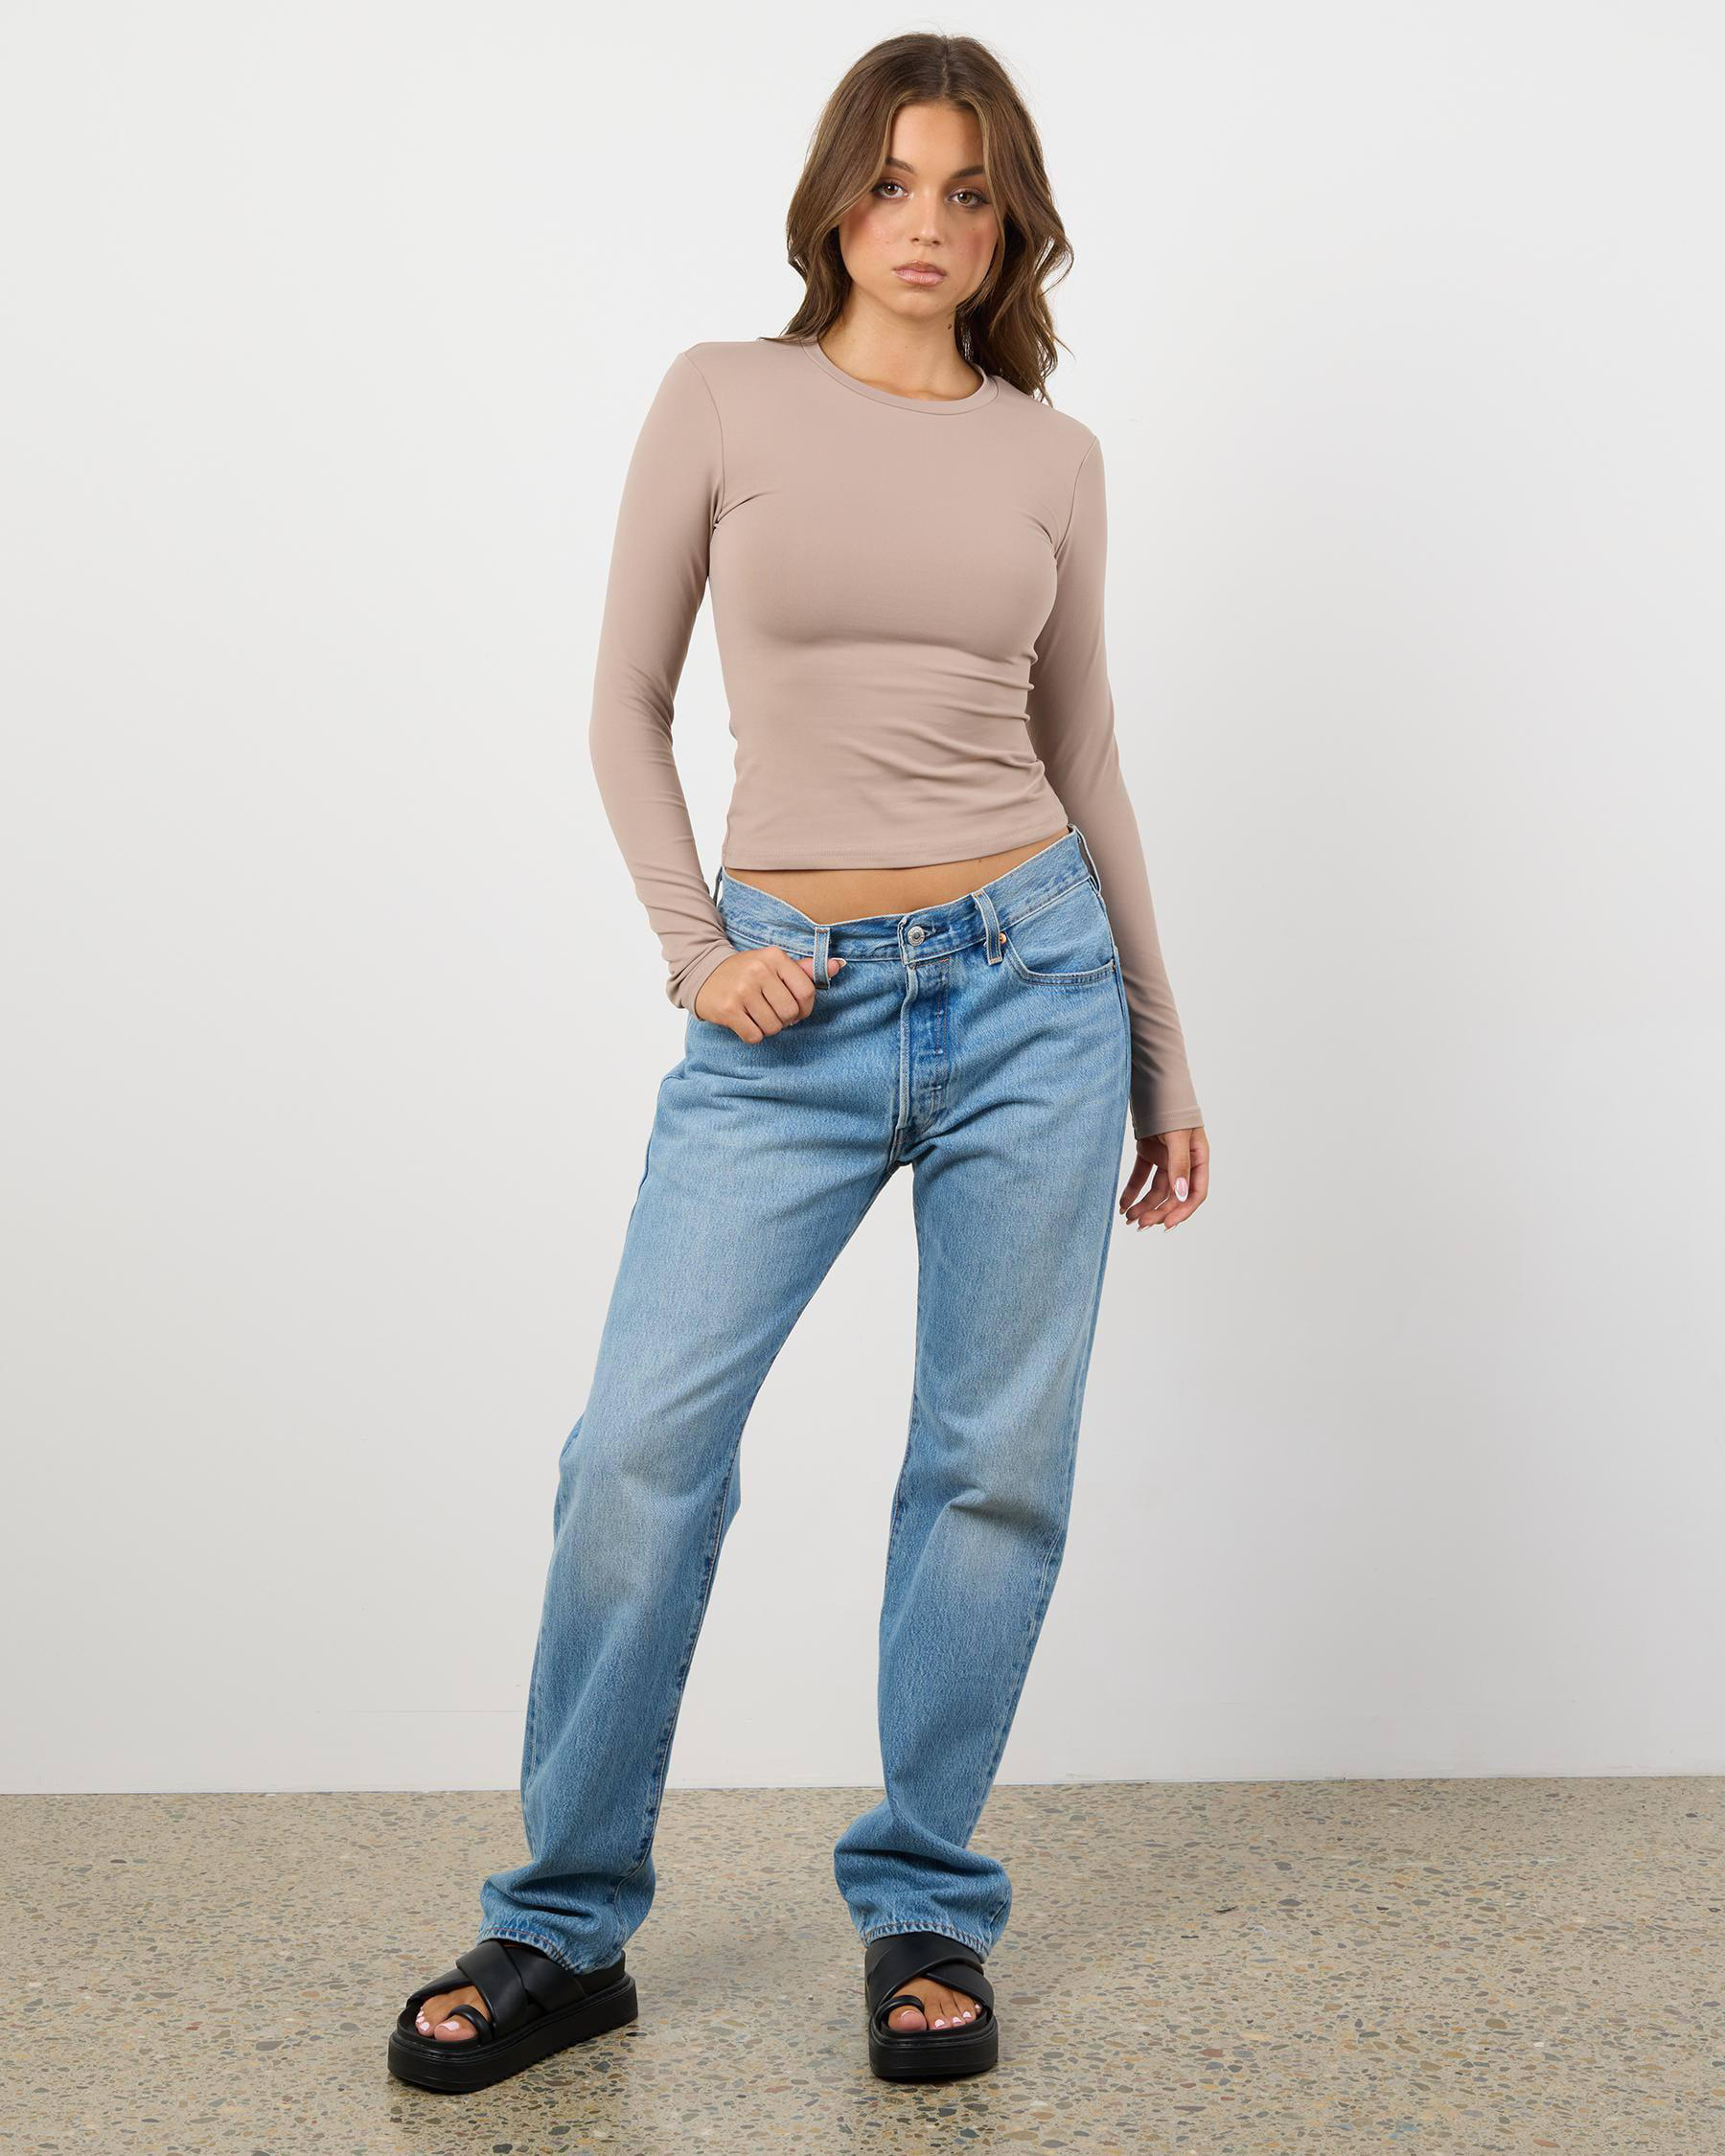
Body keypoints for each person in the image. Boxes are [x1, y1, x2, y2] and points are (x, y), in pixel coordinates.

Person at [387, 30, 1209, 2096]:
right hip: (787, 1004)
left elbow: (1087, 752)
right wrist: (699, 953)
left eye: (968, 192)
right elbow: (622, 701)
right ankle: (561, 1926)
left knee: (992, 1468)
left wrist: (1161, 1053)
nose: (926, 225)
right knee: (637, 1454)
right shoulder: (723, 398)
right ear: (835, 200)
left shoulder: (1053, 455)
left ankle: (926, 1904)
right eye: (892, 183)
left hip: (1032, 981)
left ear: (1010, 224)